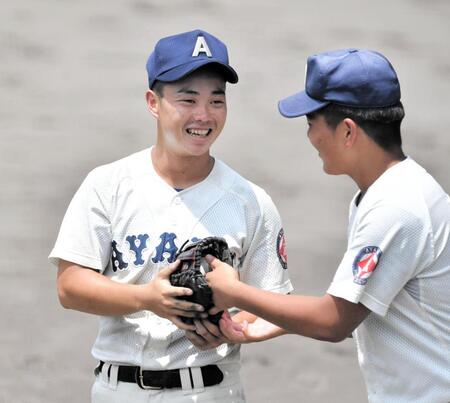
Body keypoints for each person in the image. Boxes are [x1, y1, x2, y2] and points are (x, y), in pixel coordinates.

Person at [49, 29, 292, 402]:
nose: (203, 115)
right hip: (119, 390)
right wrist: (147, 298)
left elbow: (275, 304)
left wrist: (231, 325)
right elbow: (70, 287)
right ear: (153, 102)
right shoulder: (108, 184)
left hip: (213, 390)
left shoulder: (251, 201)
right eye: (187, 98)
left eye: (216, 100)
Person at [206, 49, 450, 402]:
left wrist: (235, 291)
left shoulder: (395, 208)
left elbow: (333, 322)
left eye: (311, 123)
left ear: (348, 131)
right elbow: (363, 309)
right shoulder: (394, 190)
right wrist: (277, 320)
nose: (310, 138)